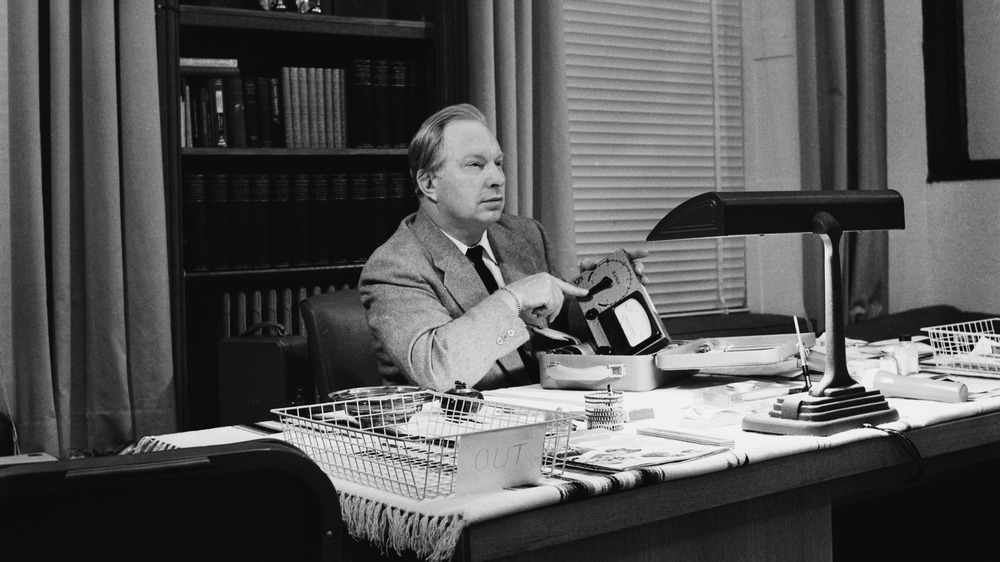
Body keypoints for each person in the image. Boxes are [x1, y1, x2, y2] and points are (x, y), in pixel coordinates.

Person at [360, 103, 639, 391]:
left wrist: (606, 292)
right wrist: (513, 298)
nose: (497, 179)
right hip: (461, 428)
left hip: (552, 413)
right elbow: (436, 369)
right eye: (475, 165)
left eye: (498, 163)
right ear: (428, 183)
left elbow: (562, 327)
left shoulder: (525, 234)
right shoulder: (395, 265)